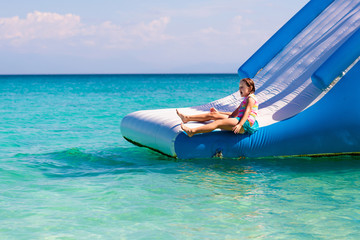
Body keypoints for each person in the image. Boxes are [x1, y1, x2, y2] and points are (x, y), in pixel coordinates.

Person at [176, 78, 259, 137]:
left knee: (218, 123)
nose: (239, 89)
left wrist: (240, 125)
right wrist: (218, 113)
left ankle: (192, 131)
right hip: (240, 119)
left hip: (245, 124)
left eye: (242, 87)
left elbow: (247, 112)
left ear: (250, 88)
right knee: (213, 115)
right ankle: (187, 118)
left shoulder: (251, 98)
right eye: (239, 87)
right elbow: (234, 114)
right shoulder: (245, 100)